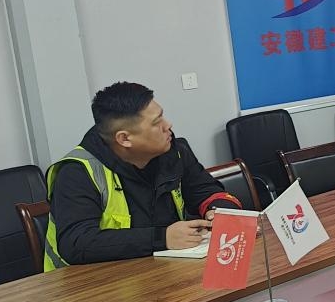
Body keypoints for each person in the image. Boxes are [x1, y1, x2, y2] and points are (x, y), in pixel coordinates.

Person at [45, 81, 241, 270]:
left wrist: (218, 212)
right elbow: (77, 243)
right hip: (91, 284)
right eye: (157, 122)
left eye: (163, 116)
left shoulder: (173, 151)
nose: (168, 125)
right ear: (124, 138)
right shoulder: (77, 172)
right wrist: (162, 238)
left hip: (163, 270)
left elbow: (206, 190)